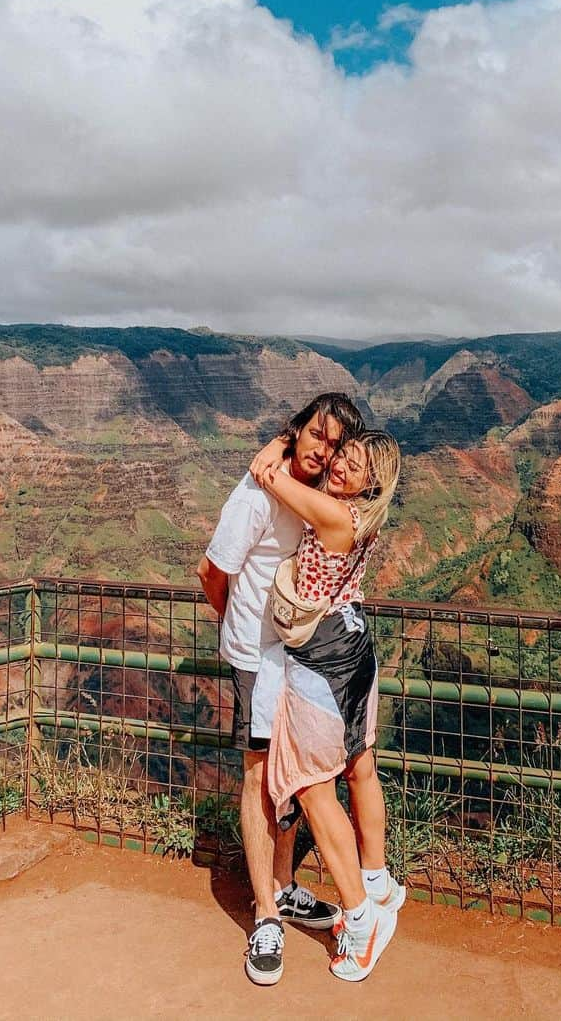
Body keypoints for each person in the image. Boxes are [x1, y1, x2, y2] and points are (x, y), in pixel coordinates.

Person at [197, 392, 364, 986]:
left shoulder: (318, 497)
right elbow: (211, 572)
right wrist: (237, 633)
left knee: (291, 773)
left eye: (337, 444)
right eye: (318, 435)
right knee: (258, 771)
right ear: (298, 430)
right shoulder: (255, 494)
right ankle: (265, 913)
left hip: (299, 656)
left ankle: (287, 887)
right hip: (255, 656)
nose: (325, 451)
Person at [249, 427, 403, 983]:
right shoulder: (363, 517)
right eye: (344, 456)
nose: (340, 467)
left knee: (313, 785)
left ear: (372, 483)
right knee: (361, 768)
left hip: (321, 659)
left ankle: (361, 918)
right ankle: (379, 881)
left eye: (355, 466)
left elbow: (271, 476)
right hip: (356, 644)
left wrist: (282, 442)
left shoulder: (336, 518)